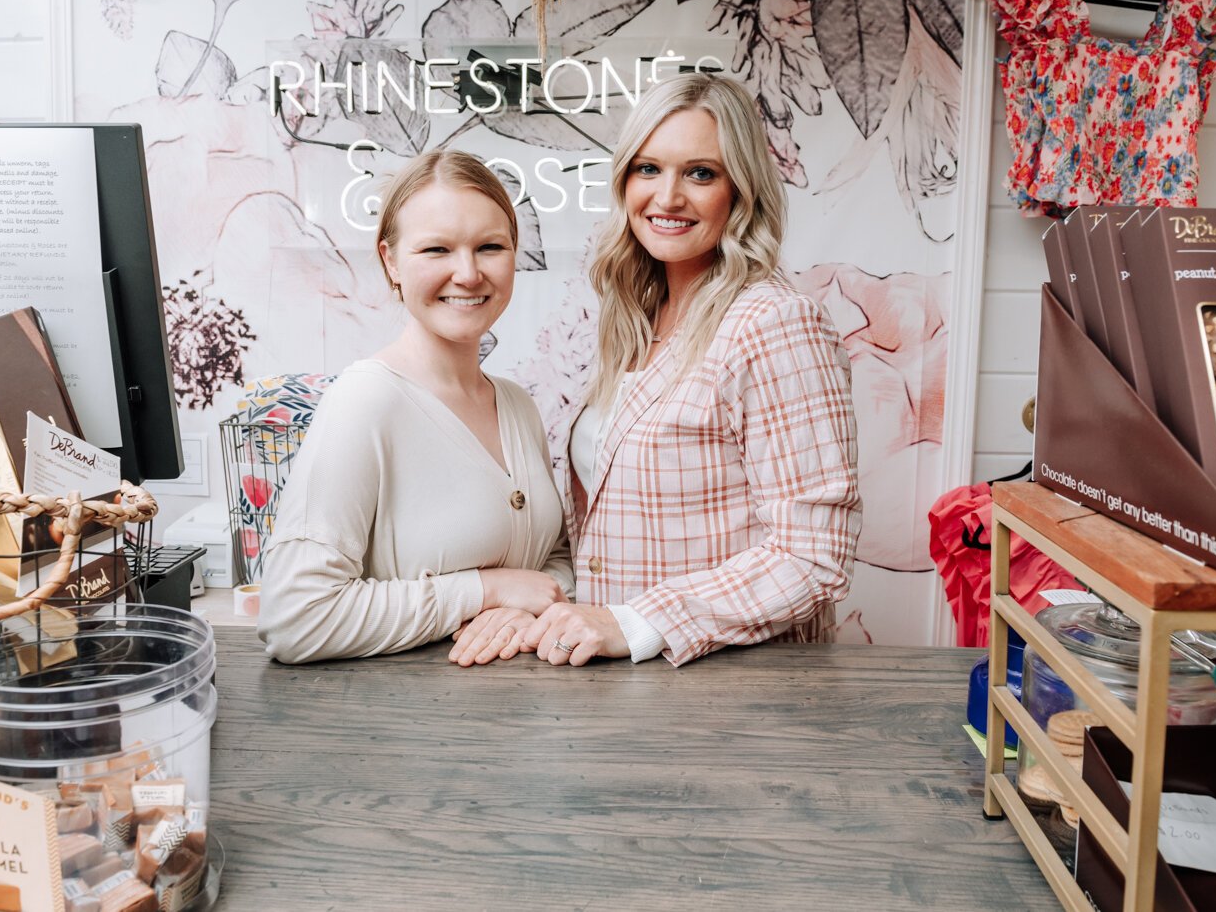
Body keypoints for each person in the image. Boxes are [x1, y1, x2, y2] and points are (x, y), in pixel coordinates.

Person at [520, 72, 861, 667]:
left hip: (728, 689)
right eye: (647, 169)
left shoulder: (774, 321)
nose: (667, 197)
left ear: (741, 191)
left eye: (700, 173)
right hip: (615, 684)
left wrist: (636, 622)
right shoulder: (635, 317)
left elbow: (813, 556)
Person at [257, 150, 573, 664]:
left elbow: (552, 565)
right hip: (410, 731)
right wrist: (483, 592)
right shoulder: (366, 401)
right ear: (391, 261)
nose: (468, 274)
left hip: (527, 729)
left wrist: (520, 610)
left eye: (490, 247)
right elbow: (294, 617)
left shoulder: (517, 405)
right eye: (437, 250)